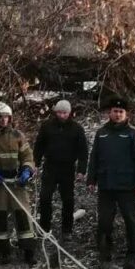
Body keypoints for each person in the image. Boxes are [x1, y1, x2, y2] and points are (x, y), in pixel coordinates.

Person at [86, 97, 135, 269]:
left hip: (126, 185)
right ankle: (105, 252)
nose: (118, 114)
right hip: (106, 184)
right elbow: (94, 158)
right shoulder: (101, 133)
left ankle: (133, 252)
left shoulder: (133, 134)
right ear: (109, 113)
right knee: (104, 221)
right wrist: (91, 179)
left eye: (121, 112)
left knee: (130, 220)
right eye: (115, 111)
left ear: (126, 114)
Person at [0, 102, 38, 265]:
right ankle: (3, 252)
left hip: (17, 182)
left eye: (6, 117)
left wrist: (26, 170)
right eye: (0, 117)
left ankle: (29, 252)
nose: (4, 120)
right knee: (0, 218)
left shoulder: (17, 135)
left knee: (23, 216)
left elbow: (27, 156)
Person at [33, 99, 88, 240]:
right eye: (59, 112)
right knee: (45, 198)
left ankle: (67, 230)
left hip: (68, 168)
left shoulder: (77, 129)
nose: (62, 115)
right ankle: (44, 228)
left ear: (69, 113)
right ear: (55, 112)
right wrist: (35, 164)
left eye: (64, 113)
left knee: (68, 200)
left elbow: (83, 151)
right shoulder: (47, 126)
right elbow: (39, 146)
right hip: (50, 166)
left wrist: (81, 170)